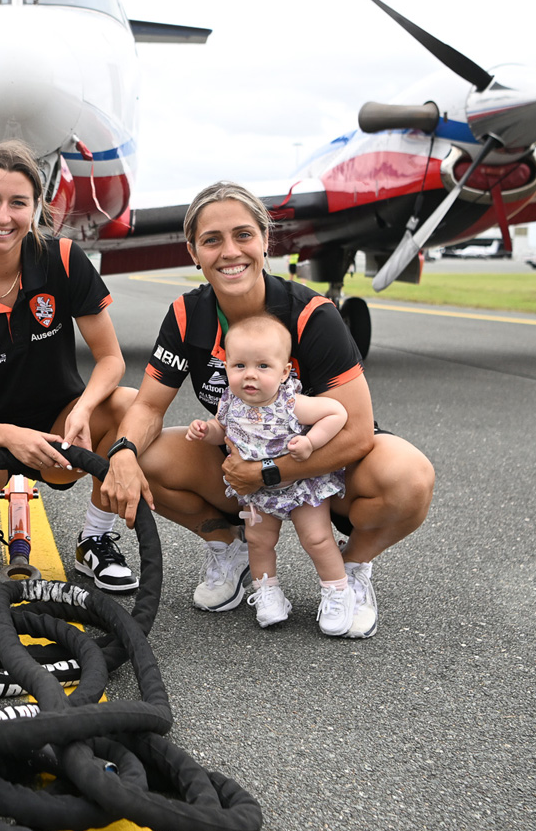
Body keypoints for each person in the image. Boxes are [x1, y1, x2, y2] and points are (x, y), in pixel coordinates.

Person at [101, 181, 436, 638]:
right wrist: (121, 452)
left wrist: (271, 472)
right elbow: (148, 405)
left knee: (410, 476)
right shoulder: (186, 314)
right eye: (212, 240)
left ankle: (352, 567)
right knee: (145, 457)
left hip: (326, 466)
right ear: (193, 252)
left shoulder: (312, 315)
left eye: (243, 235)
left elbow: (357, 431)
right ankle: (231, 550)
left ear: (265, 241)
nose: (229, 251)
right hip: (243, 470)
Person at [0, 140, 138, 591]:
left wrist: (83, 408)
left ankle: (94, 538)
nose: (3, 216)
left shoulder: (64, 260)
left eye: (18, 202)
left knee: (128, 404)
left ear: (37, 208)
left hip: (61, 433)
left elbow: (111, 360)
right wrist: (11, 437)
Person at [185, 315, 352, 633]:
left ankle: (337, 591)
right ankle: (267, 592)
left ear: (284, 371)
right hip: (256, 491)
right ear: (226, 367)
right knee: (259, 542)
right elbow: (223, 431)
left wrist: (310, 442)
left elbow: (336, 412)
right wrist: (206, 431)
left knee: (316, 538)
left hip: (301, 486)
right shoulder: (230, 403)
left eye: (263, 366)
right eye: (239, 366)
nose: (250, 375)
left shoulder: (289, 403)